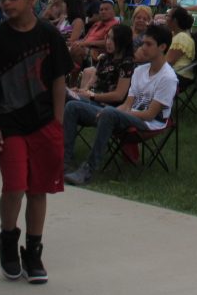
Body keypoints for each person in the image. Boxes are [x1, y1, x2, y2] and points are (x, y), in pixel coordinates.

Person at [0, 0, 71, 284]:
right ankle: (8, 240)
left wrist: (57, 120)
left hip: (43, 123)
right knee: (14, 187)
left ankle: (34, 251)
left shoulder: (49, 35)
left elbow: (59, 79)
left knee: (38, 189)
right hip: (9, 122)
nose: (6, 2)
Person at [65, 24, 178, 185]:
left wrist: (114, 113)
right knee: (72, 106)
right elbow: (127, 104)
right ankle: (63, 161)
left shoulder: (168, 78)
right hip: (129, 115)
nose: (143, 47)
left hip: (149, 124)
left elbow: (150, 115)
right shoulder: (140, 71)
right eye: (143, 43)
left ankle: (88, 170)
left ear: (162, 47)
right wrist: (113, 111)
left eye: (148, 44)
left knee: (109, 113)